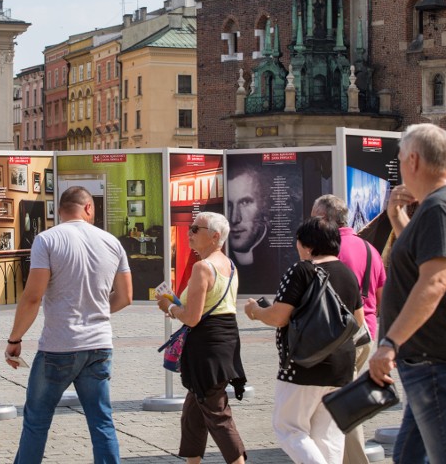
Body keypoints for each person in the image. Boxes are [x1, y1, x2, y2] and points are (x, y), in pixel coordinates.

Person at [368, 123, 446, 464]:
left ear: (414, 161)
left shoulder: (441, 207)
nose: (400, 167)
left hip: (437, 358)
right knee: (408, 456)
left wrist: (391, 342)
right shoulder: (443, 204)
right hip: (432, 358)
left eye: (401, 159)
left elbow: (434, 281)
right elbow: (423, 257)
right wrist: (396, 217)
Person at [5, 186, 133, 464]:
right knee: (102, 422)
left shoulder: (47, 240)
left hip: (58, 346)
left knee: (37, 421)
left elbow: (33, 297)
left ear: (61, 211)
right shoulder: (112, 241)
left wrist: (15, 339)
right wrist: (96, 310)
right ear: (88, 208)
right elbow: (125, 297)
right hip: (99, 345)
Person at [245, 217, 364, 464]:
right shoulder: (348, 273)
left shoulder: (301, 270)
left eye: (297, 243)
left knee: (288, 427)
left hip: (304, 363)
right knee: (328, 434)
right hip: (342, 364)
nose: (297, 248)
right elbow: (358, 321)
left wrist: (256, 311)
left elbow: (279, 317)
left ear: (308, 246)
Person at [156, 212, 248, 464]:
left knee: (217, 413)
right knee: (193, 414)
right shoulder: (229, 265)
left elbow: (192, 318)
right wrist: (177, 304)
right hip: (224, 342)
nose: (190, 232)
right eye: (191, 228)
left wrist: (170, 308)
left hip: (206, 347)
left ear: (215, 236)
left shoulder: (202, 267)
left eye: (196, 229)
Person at [312, 194, 387, 464]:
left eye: (313, 217)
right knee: (338, 395)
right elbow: (381, 294)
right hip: (365, 333)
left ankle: (353, 459)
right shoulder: (369, 248)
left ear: (324, 219)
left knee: (342, 401)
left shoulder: (328, 251)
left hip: (336, 337)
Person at [227, 164, 275, 293]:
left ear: (263, 205)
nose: (234, 218)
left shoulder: (280, 257)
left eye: (245, 202)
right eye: (228, 205)